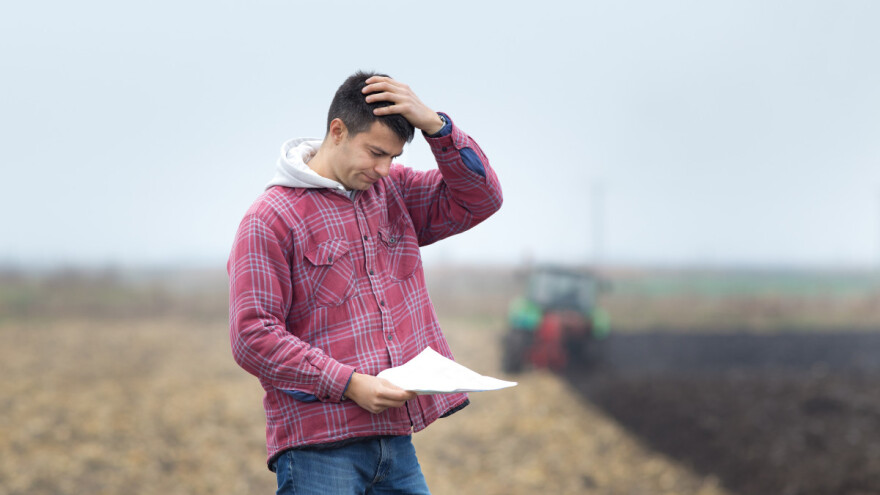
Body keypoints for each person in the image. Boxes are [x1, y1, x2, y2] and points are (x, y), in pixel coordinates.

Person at [227, 70, 503, 494]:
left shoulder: (394, 192)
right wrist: (349, 384)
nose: (384, 168)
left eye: (392, 157)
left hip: (396, 445)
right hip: (317, 451)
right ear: (337, 131)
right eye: (375, 152)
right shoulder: (270, 219)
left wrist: (437, 127)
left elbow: (481, 197)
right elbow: (252, 336)